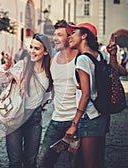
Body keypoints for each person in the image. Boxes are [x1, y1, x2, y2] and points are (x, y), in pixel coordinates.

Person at [66, 23, 127, 168]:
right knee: (97, 161)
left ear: (84, 36)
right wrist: (112, 55)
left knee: (88, 164)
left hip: (89, 117)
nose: (70, 36)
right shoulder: (100, 55)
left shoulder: (82, 59)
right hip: (102, 115)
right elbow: (121, 72)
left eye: (74, 33)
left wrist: (74, 124)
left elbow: (86, 94)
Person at [0, 33, 53, 168]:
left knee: (30, 161)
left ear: (45, 51)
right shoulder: (23, 65)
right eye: (31, 47)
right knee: (15, 161)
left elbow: (48, 91)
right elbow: (2, 79)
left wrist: (43, 103)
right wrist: (8, 65)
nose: (32, 51)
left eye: (37, 48)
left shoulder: (49, 70)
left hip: (34, 118)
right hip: (16, 116)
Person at [38, 20, 79, 168]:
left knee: (75, 163)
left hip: (78, 122)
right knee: (44, 162)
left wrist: (76, 123)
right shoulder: (53, 61)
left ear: (70, 37)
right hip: (56, 121)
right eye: (54, 34)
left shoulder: (80, 59)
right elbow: (45, 86)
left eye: (59, 35)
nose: (55, 38)